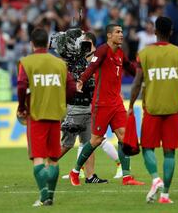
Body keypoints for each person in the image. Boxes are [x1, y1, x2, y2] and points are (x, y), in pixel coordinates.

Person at [68, 24, 144, 186]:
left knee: (124, 138)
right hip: (101, 104)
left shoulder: (120, 53)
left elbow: (130, 68)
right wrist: (81, 80)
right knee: (96, 140)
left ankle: (127, 177)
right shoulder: (102, 50)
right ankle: (75, 172)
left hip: (116, 103)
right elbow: (92, 66)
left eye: (122, 31)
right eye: (118, 32)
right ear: (109, 35)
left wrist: (144, 75)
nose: (121, 35)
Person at [128, 16, 178, 204]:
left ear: (155, 32)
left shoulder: (144, 53)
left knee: (147, 147)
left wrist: (131, 105)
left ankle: (155, 179)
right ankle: (165, 195)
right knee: (170, 152)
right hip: (172, 110)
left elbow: (137, 82)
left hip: (152, 109)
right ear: (171, 32)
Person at [17, 28, 76, 206]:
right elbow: (72, 88)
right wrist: (61, 101)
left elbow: (21, 85)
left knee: (38, 158)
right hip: (55, 115)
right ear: (48, 44)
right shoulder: (59, 63)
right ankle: (50, 195)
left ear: (31, 44)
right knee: (54, 158)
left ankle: (43, 196)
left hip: (36, 114)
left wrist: (21, 106)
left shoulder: (26, 62)